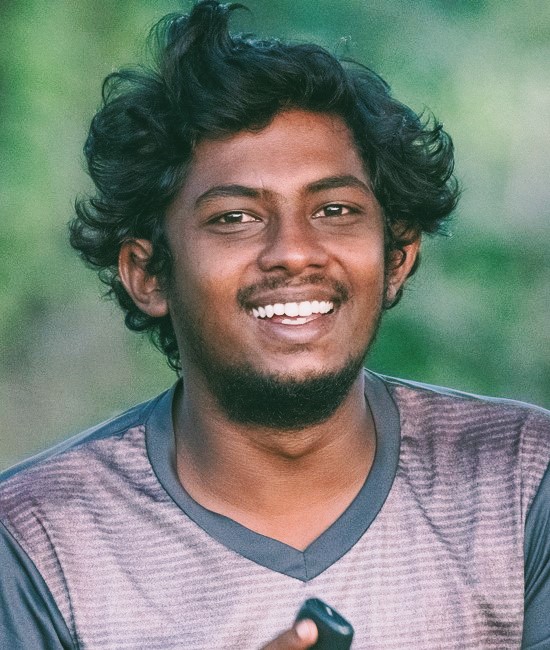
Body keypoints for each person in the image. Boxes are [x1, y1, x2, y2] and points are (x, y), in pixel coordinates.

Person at [1, 1, 548, 647]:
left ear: (397, 258)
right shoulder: (34, 541)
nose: (293, 251)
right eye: (234, 218)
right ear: (148, 274)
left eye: (335, 209)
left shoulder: (524, 478)